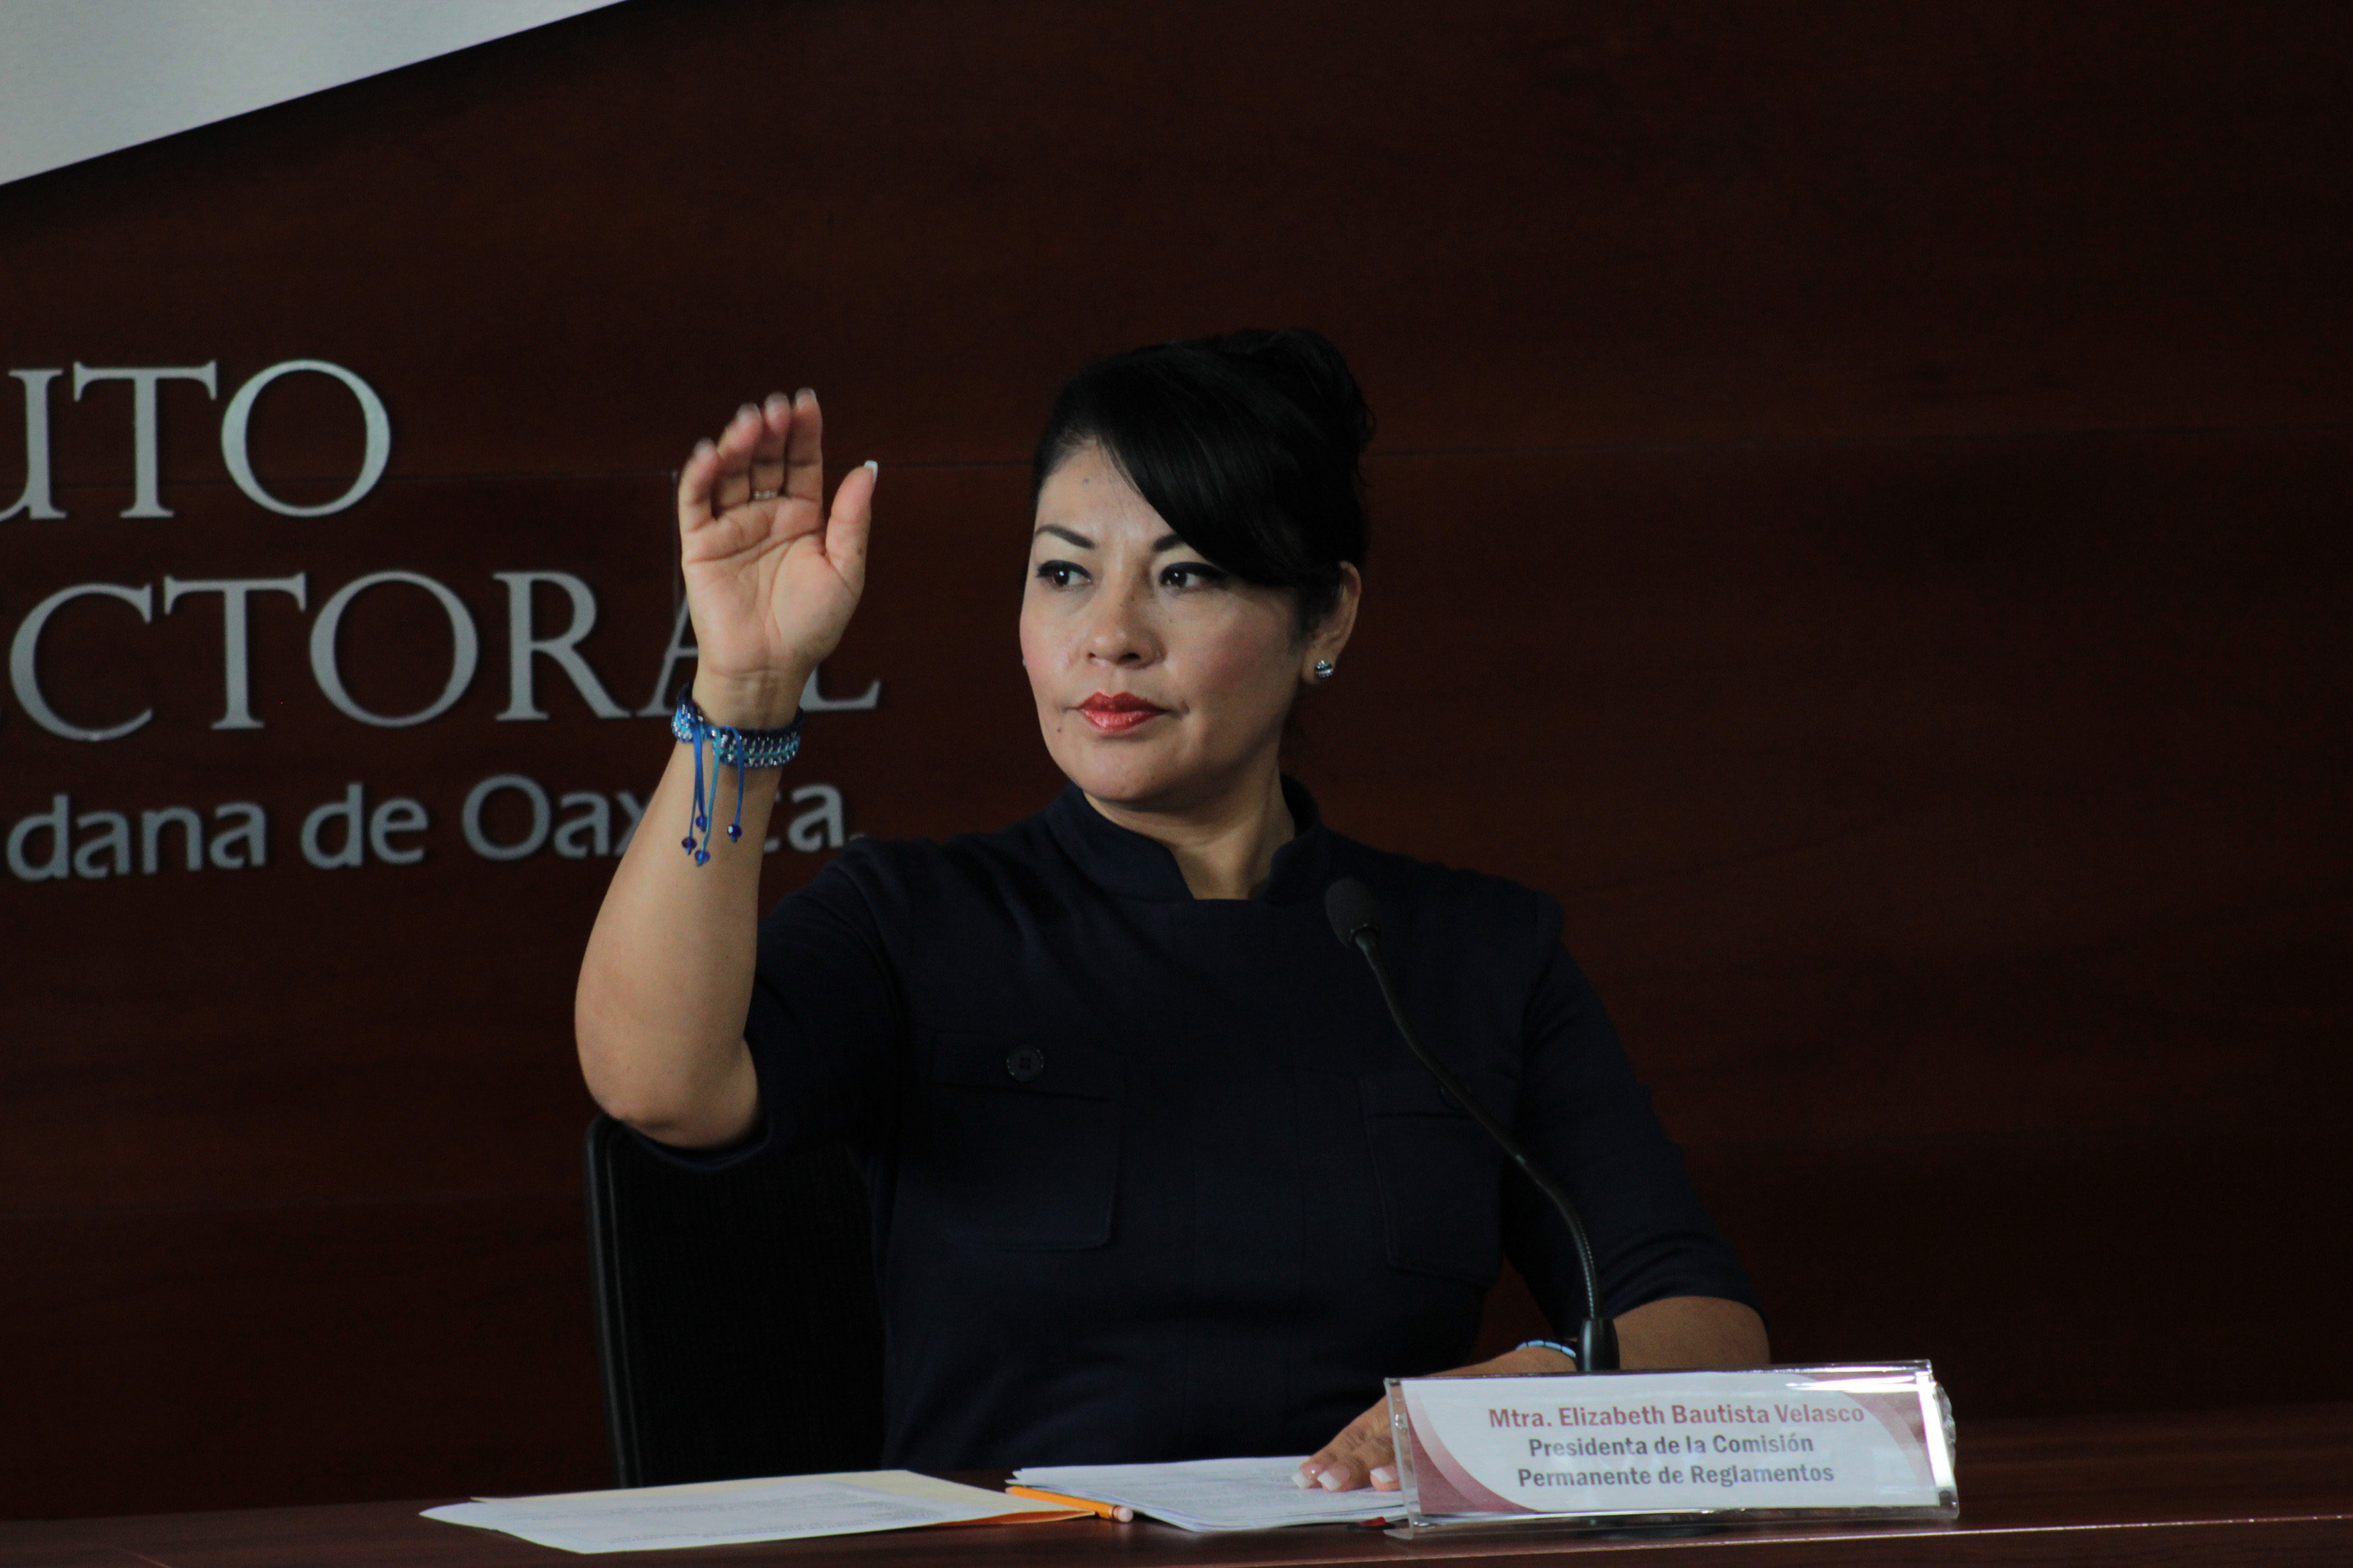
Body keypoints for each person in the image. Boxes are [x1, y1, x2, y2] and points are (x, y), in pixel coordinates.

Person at [575, 330, 1767, 1495]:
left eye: (1186, 574)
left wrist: (1541, 1384)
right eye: (1065, 572)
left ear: (1326, 618)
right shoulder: (915, 917)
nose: (1111, 636)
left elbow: (1705, 1320)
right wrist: (747, 685)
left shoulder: (1475, 950)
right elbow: (659, 1082)